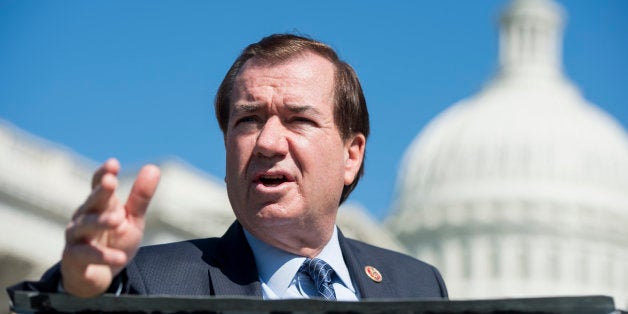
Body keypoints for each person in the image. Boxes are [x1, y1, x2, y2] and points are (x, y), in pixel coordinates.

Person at [7, 34, 447, 301]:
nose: (268, 142)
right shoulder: (148, 280)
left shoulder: (418, 285)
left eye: (299, 119)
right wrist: (83, 294)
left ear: (351, 155)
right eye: (248, 119)